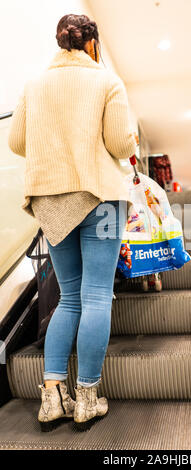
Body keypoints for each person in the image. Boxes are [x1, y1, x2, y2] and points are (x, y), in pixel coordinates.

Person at [8, 13, 136, 432]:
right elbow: (120, 142)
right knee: (98, 295)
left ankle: (51, 399)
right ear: (92, 44)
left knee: (70, 297)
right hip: (99, 199)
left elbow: (17, 142)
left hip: (52, 200)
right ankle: (86, 397)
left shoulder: (34, 85)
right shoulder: (105, 81)